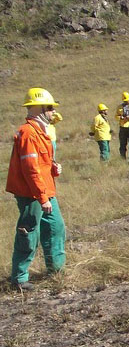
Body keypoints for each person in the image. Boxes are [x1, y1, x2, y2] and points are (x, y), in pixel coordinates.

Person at [6, 88, 67, 291]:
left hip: (45, 191)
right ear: (39, 108)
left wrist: (53, 168)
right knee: (28, 231)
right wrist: (42, 198)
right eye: (49, 108)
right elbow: (30, 170)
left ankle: (56, 270)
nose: (52, 112)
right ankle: (19, 278)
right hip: (31, 193)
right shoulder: (28, 133)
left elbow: (41, 164)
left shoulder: (41, 132)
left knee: (55, 227)